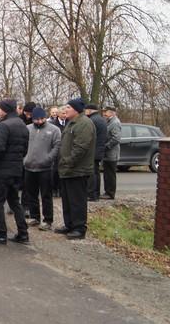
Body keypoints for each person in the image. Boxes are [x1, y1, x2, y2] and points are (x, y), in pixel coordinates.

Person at [0, 99, 29, 245]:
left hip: (2, 171)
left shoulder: (3, 125)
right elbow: (25, 149)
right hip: (16, 170)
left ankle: (1, 234)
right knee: (15, 202)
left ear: (6, 110)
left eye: (0, 109)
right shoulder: (23, 125)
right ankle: (23, 233)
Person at [56, 98, 96, 239]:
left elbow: (80, 148)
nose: (65, 110)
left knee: (77, 200)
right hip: (67, 169)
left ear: (76, 109)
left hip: (77, 170)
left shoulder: (84, 123)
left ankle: (79, 228)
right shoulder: (71, 123)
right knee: (67, 199)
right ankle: (69, 225)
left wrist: (67, 161)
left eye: (68, 107)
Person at [23, 107, 61, 231]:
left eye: (41, 119)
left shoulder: (54, 130)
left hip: (45, 168)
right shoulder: (28, 129)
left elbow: (57, 146)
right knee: (31, 193)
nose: (39, 121)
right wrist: (25, 159)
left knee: (46, 195)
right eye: (36, 119)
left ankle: (48, 220)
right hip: (29, 167)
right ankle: (34, 216)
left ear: (45, 117)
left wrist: (48, 159)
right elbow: (23, 146)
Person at [85, 104, 107, 201]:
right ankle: (96, 193)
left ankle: (91, 194)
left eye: (86, 110)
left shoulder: (92, 120)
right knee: (96, 173)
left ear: (90, 110)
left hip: (93, 150)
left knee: (91, 173)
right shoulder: (101, 119)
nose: (85, 112)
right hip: (99, 150)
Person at [102, 106, 122, 199]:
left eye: (106, 112)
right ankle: (107, 192)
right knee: (107, 174)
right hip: (108, 153)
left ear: (112, 113)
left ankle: (110, 193)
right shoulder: (109, 121)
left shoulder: (115, 122)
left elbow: (116, 138)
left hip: (111, 153)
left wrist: (106, 146)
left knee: (110, 174)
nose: (104, 113)